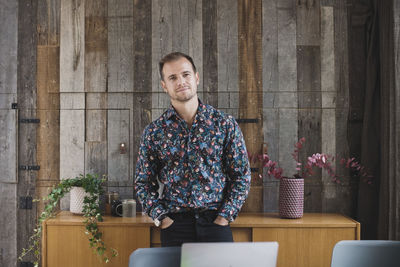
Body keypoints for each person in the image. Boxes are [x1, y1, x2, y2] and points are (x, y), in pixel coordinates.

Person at [134, 52, 251, 247]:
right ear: (164, 86)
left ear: (196, 78)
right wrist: (162, 218)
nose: (181, 81)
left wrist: (224, 217)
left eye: (186, 74)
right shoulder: (154, 132)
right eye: (172, 77)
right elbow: (143, 183)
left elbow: (241, 176)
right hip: (174, 225)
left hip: (216, 221)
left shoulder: (224, 124)